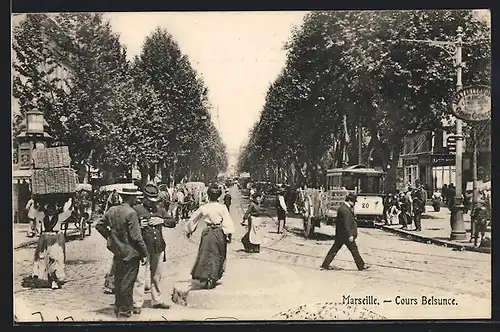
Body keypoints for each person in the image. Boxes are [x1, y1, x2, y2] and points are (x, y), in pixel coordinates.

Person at [95, 187, 148, 318]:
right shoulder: (131, 213)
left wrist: (110, 237)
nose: (136, 199)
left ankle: (118, 307)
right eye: (135, 197)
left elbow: (99, 225)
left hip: (117, 251)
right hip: (131, 253)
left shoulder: (112, 210)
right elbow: (136, 237)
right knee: (128, 283)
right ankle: (124, 311)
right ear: (131, 198)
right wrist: (144, 253)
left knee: (118, 281)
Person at [184, 186, 235, 289]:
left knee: (206, 254)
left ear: (208, 195)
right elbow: (227, 221)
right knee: (218, 254)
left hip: (207, 234)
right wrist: (229, 234)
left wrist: (189, 230)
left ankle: (206, 277)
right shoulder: (222, 207)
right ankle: (213, 277)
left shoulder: (204, 207)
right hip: (219, 233)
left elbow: (194, 218)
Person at [132, 183, 172, 313]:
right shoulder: (136, 210)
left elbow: (172, 222)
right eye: (151, 200)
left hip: (158, 247)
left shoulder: (160, 209)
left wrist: (162, 221)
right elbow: (129, 227)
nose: (153, 203)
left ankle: (157, 300)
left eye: (155, 200)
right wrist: (139, 224)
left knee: (157, 275)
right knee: (140, 277)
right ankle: (137, 303)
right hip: (142, 248)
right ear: (144, 198)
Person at [24, 199, 73, 290]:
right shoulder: (42, 216)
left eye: (53, 208)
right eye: (49, 208)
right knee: (42, 258)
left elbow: (68, 213)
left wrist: (71, 202)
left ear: (56, 209)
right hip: (45, 239)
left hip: (55, 239)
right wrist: (35, 204)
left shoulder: (59, 217)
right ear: (47, 209)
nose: (51, 210)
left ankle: (54, 280)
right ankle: (45, 278)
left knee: (55, 259)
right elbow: (35, 213)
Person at [320, 193, 370, 271]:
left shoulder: (344, 208)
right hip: (345, 235)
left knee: (334, 250)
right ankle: (361, 266)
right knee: (354, 250)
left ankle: (325, 264)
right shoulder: (345, 210)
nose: (354, 204)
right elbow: (346, 224)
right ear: (350, 200)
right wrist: (350, 235)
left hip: (341, 235)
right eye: (353, 202)